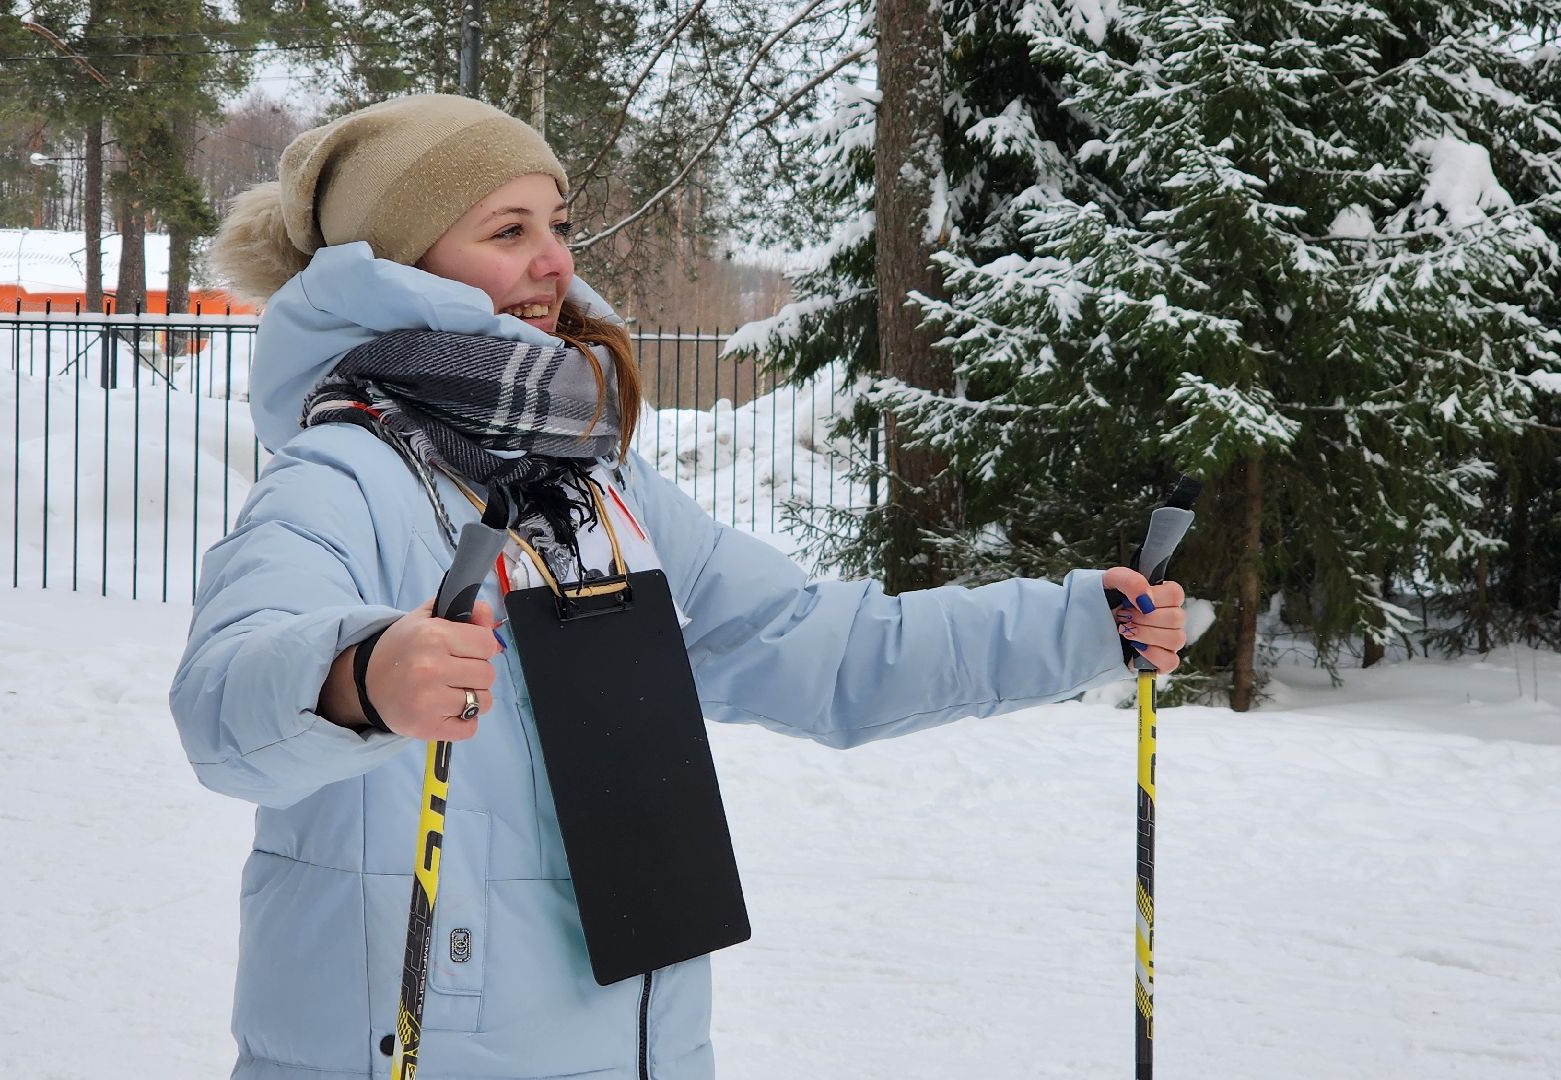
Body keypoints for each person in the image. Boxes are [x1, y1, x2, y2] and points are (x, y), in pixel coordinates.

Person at [172, 93, 1186, 1080]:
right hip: (420, 1041)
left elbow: (806, 640)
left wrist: (1077, 627)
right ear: (398, 266)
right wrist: (361, 673)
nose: (555, 259)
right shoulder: (346, 476)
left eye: (558, 224)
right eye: (507, 228)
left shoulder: (597, 487)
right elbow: (222, 702)